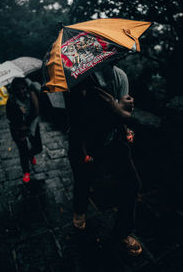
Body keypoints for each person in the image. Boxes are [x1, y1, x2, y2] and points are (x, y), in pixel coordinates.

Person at [68, 63, 142, 256]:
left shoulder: (120, 77)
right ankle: (79, 209)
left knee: (132, 185)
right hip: (85, 141)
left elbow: (124, 114)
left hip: (113, 139)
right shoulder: (79, 80)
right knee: (83, 181)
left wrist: (122, 122)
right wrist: (118, 110)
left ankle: (123, 232)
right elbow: (78, 122)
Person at [6, 77, 42, 183]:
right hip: (18, 128)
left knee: (38, 147)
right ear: (14, 90)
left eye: (23, 88)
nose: (21, 91)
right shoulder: (11, 101)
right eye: (18, 89)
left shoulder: (31, 94)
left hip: (32, 125)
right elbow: (10, 117)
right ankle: (26, 172)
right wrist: (18, 111)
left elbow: (36, 111)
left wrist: (27, 124)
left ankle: (31, 155)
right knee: (23, 150)